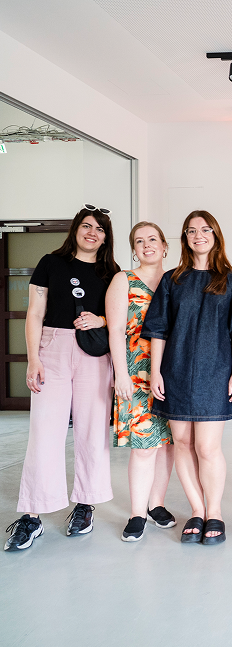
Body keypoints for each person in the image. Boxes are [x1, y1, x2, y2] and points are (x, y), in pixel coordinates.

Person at [5, 205, 119, 551]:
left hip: (94, 354)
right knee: (44, 431)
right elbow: (34, 313)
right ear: (75, 230)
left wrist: (99, 319)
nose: (92, 233)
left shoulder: (111, 271)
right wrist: (33, 358)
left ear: (105, 237)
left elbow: (118, 317)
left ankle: (85, 504)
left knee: (91, 429)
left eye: (99, 229)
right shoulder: (49, 263)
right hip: (51, 347)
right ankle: (32, 514)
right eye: (87, 226)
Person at [142, 210, 232, 545]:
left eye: (205, 230)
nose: (198, 235)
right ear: (185, 238)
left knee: (207, 447)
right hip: (175, 372)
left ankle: (215, 512)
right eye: (191, 231)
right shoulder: (172, 279)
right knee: (184, 444)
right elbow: (158, 331)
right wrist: (156, 372)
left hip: (216, 372)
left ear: (216, 235)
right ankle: (196, 510)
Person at [107, 222, 176, 542]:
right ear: (133, 249)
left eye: (152, 239)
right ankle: (137, 513)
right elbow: (116, 330)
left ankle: (156, 504)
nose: (146, 245)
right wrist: (121, 374)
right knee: (144, 447)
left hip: (174, 374)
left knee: (168, 445)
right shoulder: (124, 280)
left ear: (164, 246)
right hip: (136, 373)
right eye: (139, 241)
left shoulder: (177, 280)